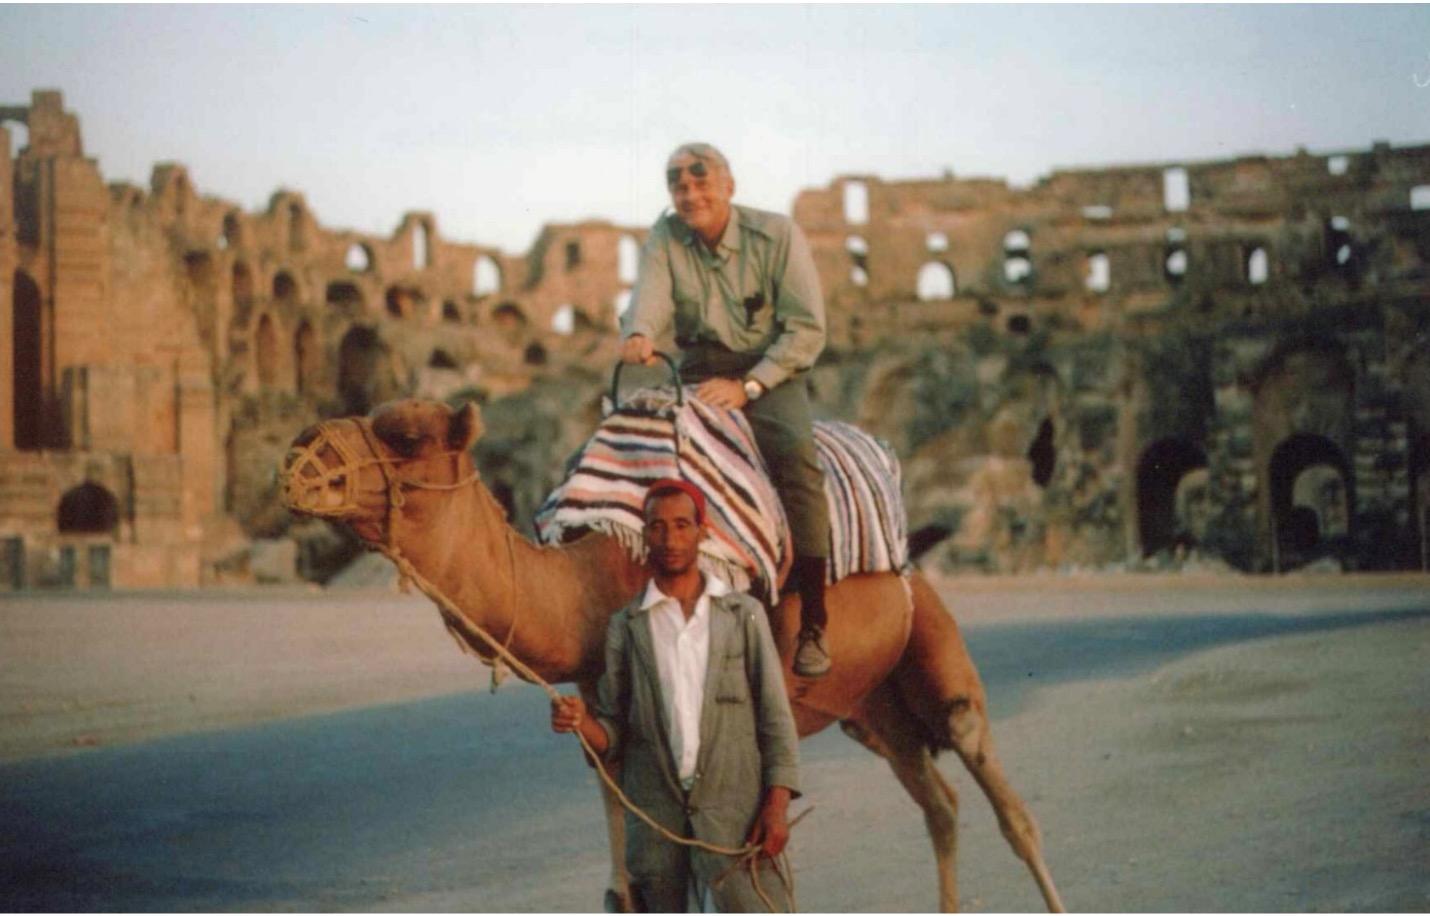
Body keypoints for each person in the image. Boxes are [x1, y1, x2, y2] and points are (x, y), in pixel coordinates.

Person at [620, 142, 833, 677]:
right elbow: (650, 293)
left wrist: (751, 387)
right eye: (679, 185)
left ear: (729, 186)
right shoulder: (666, 236)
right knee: (634, 447)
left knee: (797, 464)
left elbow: (806, 329)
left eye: (701, 181)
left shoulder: (776, 235)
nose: (690, 194)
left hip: (768, 368)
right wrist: (640, 332)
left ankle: (813, 620)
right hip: (694, 369)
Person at [551, 478, 801, 912]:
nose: (671, 539)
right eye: (658, 527)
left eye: (683, 525)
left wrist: (776, 808)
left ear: (702, 532)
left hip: (736, 815)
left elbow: (775, 720)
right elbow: (612, 734)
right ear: (644, 534)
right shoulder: (626, 627)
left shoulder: (743, 615)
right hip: (656, 823)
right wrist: (580, 723)